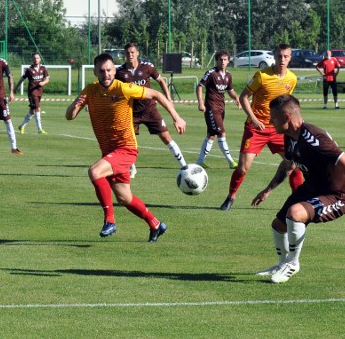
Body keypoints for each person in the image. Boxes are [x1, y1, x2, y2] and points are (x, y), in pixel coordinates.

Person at [65, 52, 186, 242]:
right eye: (102, 71)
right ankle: (155, 224)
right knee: (124, 198)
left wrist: (176, 117)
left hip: (126, 148)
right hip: (109, 151)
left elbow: (156, 94)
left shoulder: (123, 88)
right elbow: (69, 116)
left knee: (95, 172)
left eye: (109, 70)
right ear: (95, 72)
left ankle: (110, 221)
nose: (106, 74)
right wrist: (75, 104)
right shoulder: (90, 90)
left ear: (114, 70)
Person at [251, 94, 345, 283]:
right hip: (312, 187)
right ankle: (282, 265)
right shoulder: (289, 136)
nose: (271, 121)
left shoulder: (313, 137)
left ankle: (293, 264)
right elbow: (288, 165)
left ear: (287, 118)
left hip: (335, 195)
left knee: (295, 213)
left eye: (274, 118)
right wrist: (268, 190)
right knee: (278, 225)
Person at [220, 44, 301, 211]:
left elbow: (287, 103)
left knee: (293, 163)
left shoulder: (292, 78)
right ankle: (231, 197)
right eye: (279, 56)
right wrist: (254, 118)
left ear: (290, 58)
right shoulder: (262, 76)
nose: (282, 60)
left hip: (278, 129)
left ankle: (298, 199)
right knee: (243, 168)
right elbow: (243, 97)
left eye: (286, 56)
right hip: (256, 128)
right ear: (274, 56)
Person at [116, 43, 187, 172]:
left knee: (166, 137)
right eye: (127, 53)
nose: (130, 55)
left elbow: (161, 80)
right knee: (128, 141)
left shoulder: (147, 67)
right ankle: (131, 167)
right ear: (124, 55)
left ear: (137, 53)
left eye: (132, 52)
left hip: (150, 110)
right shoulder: (120, 72)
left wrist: (168, 98)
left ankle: (184, 166)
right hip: (131, 111)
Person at [196, 50, 241, 168]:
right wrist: (201, 103)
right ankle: (231, 161)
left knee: (212, 135)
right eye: (220, 59)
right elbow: (200, 86)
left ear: (228, 61)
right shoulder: (211, 73)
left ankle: (199, 162)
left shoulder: (228, 75)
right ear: (217, 60)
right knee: (222, 133)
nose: (223, 62)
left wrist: (237, 98)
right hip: (211, 108)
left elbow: (230, 90)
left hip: (221, 108)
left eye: (225, 59)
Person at [14, 52, 50, 135]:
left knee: (32, 111)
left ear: (40, 59)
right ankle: (40, 129)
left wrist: (43, 83)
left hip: (40, 91)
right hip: (32, 92)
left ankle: (22, 126)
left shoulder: (43, 68)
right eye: (34, 58)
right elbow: (22, 79)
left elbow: (47, 79)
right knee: (38, 108)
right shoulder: (29, 70)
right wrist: (15, 88)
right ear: (32, 59)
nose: (36, 59)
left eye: (37, 58)